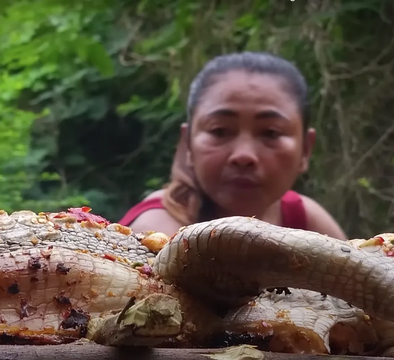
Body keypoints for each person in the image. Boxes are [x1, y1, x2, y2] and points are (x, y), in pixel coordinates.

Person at [118, 51, 346, 240]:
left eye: (271, 133)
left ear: (305, 150)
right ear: (188, 144)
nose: (244, 156)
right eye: (219, 131)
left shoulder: (304, 220)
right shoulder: (156, 235)